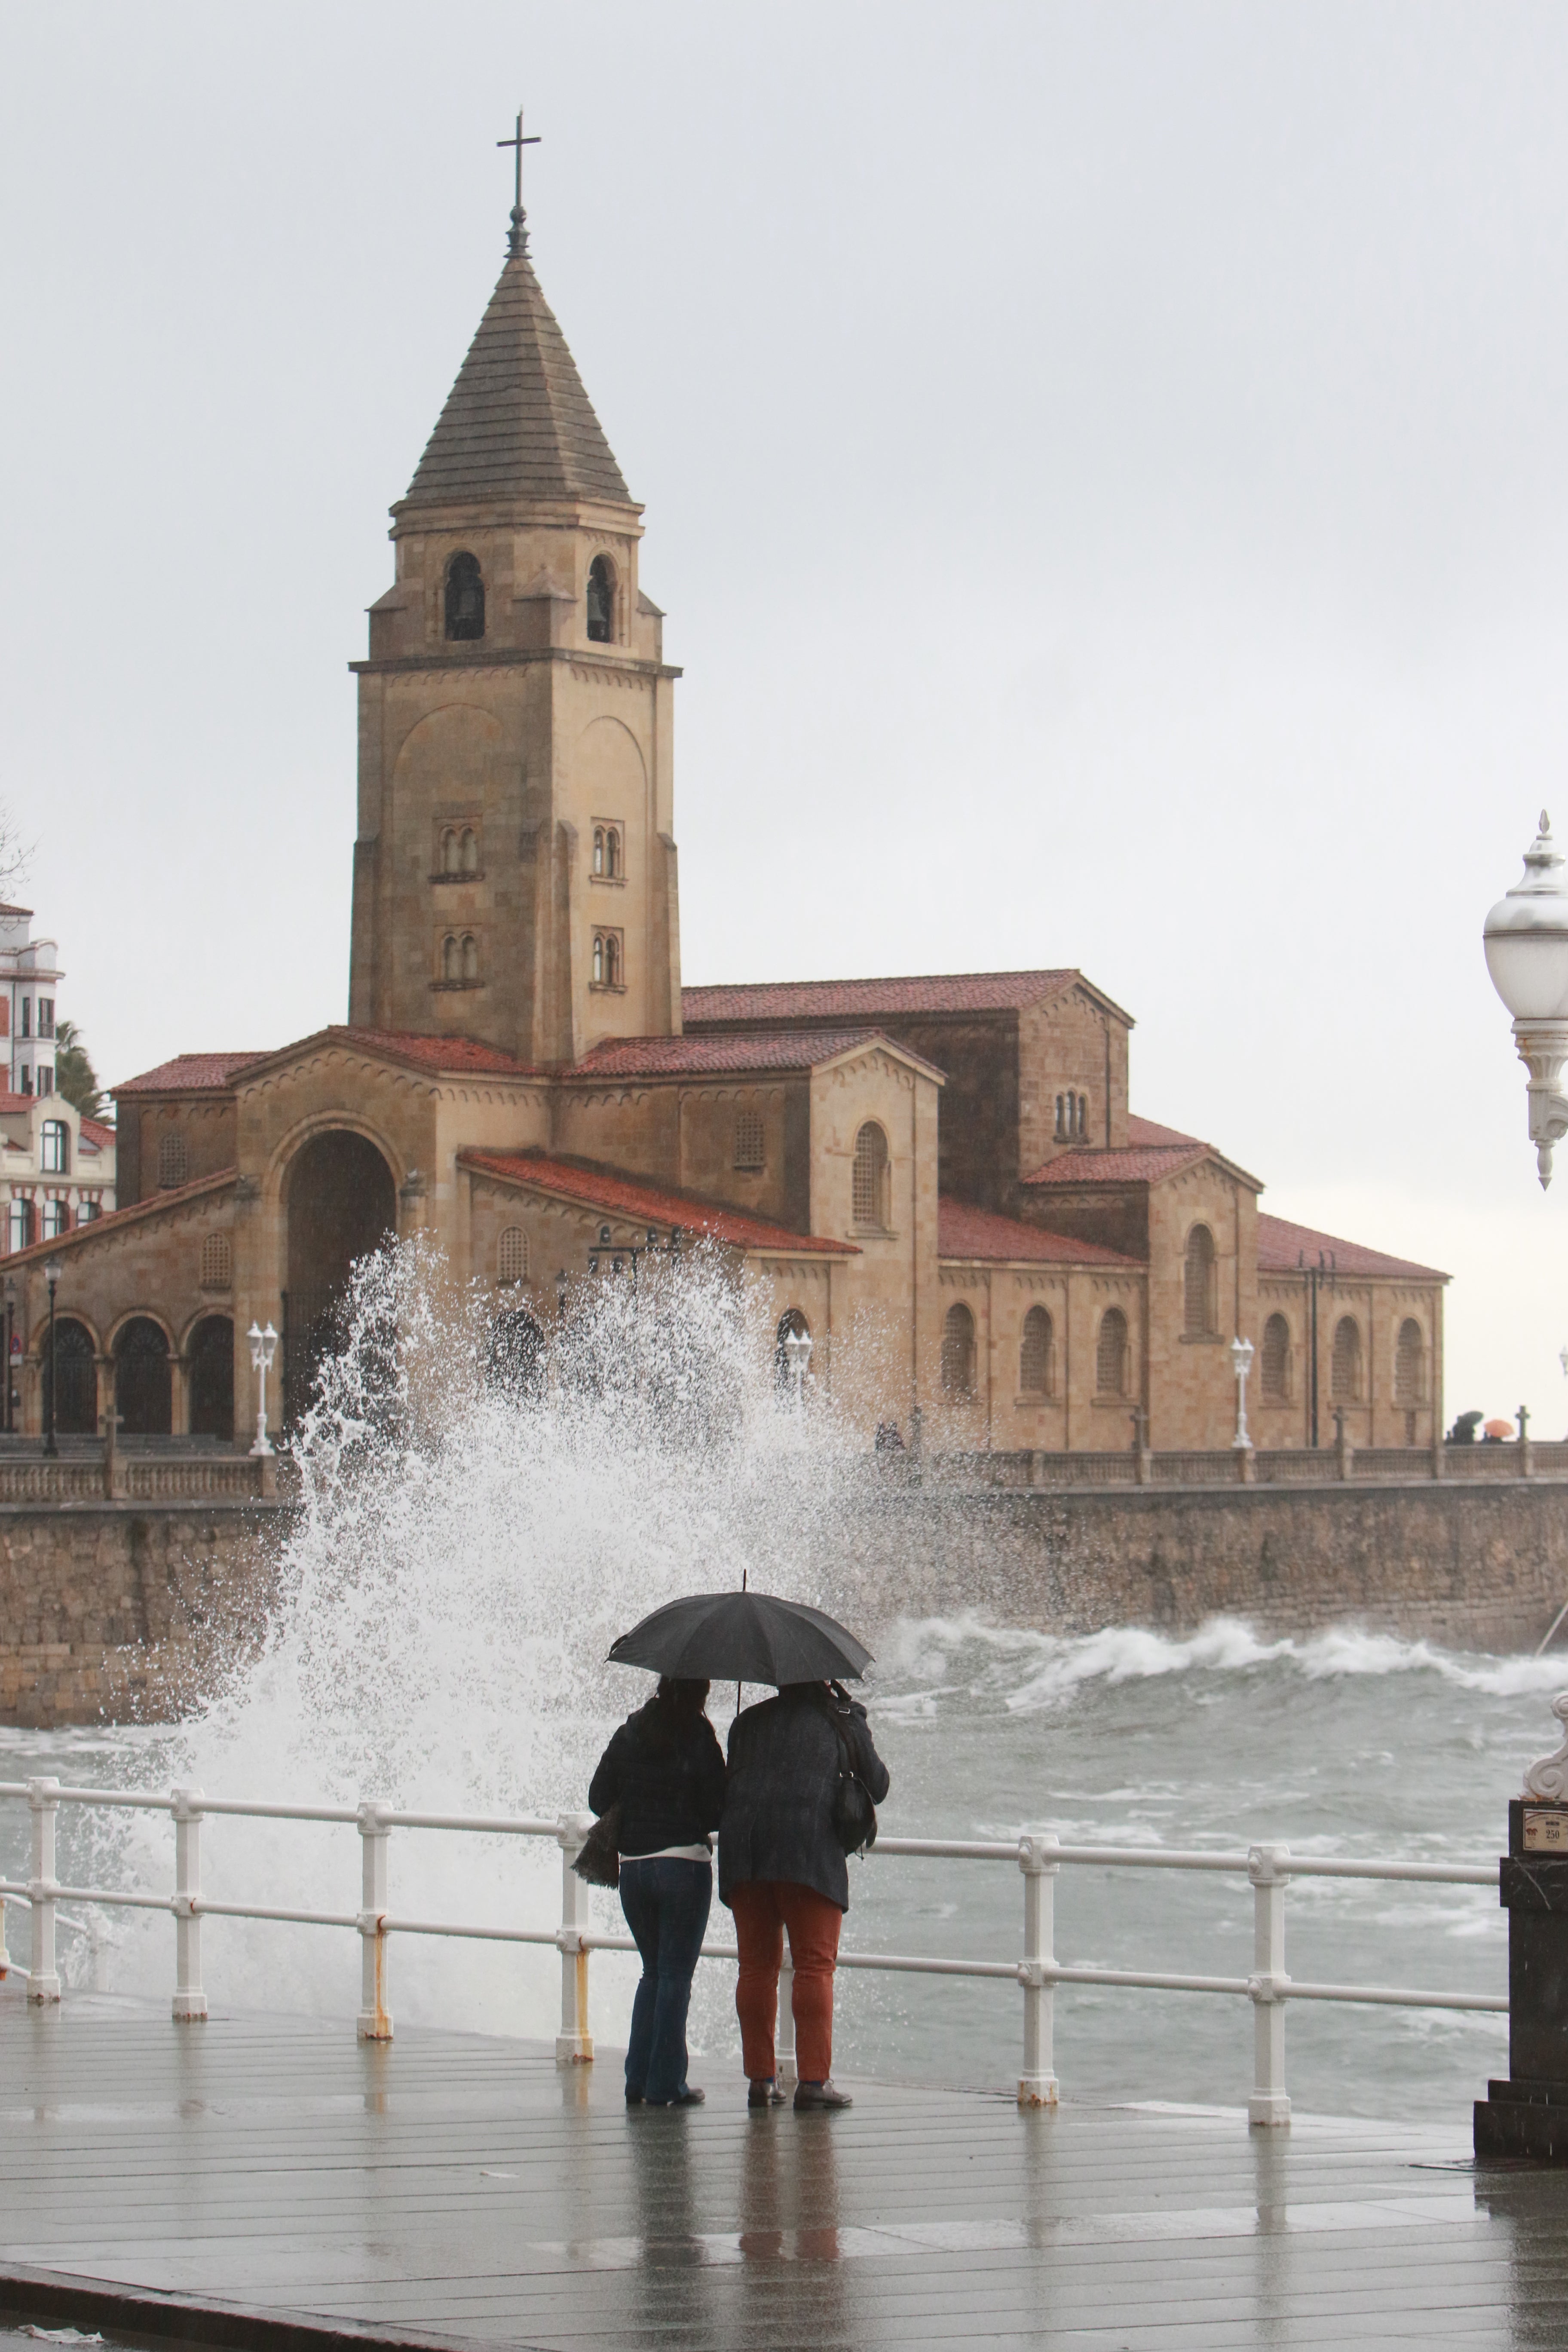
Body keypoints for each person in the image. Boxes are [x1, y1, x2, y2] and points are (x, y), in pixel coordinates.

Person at [718, 1677, 891, 2112]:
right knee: (815, 1966)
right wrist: (852, 1715)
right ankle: (813, 2082)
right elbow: (879, 1785)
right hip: (808, 1853)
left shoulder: (747, 1723)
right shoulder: (842, 1721)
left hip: (747, 1853)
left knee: (755, 1967)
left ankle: (760, 2080)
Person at [588, 1675, 726, 2108]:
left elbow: (598, 1798)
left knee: (652, 1972)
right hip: (683, 1868)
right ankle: (667, 2085)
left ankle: (638, 2080)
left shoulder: (629, 1732)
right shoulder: (698, 1735)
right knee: (675, 1977)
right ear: (701, 1693)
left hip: (634, 1871)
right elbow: (717, 1810)